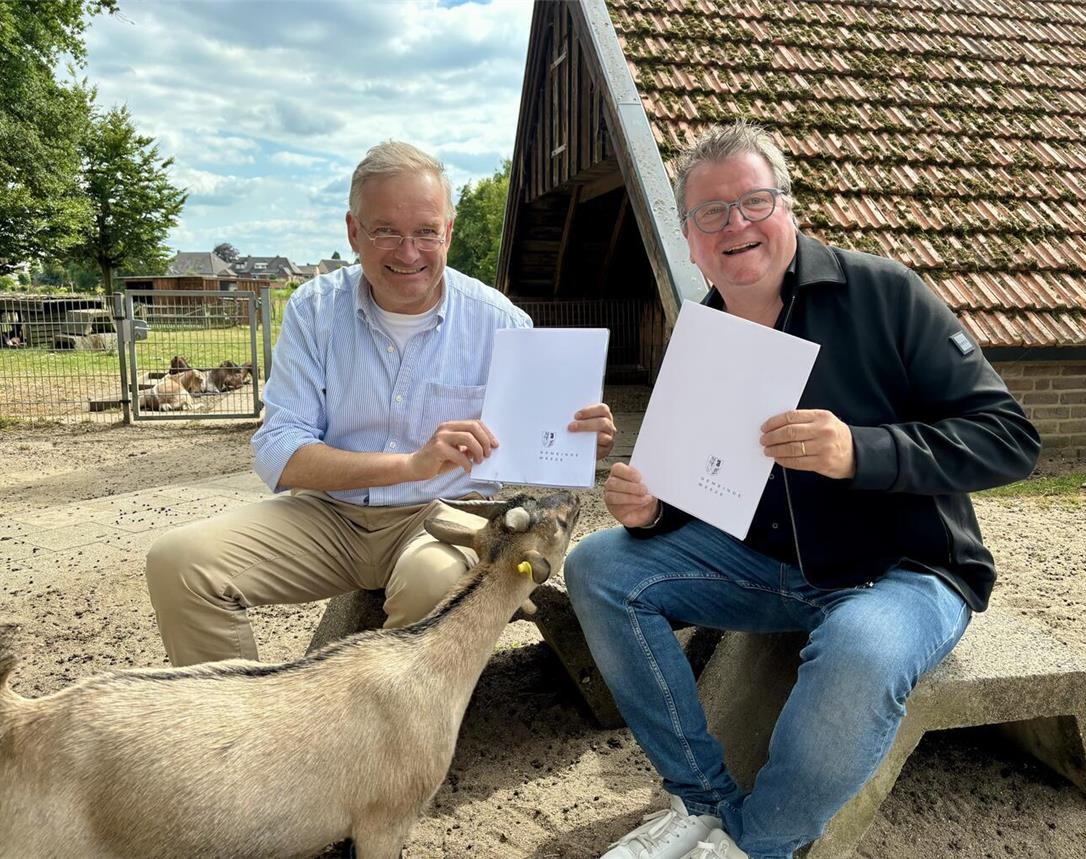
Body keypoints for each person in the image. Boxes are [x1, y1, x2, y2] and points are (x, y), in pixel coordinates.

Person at [563, 122, 1040, 859]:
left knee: (860, 647)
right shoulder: (702, 333)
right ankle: (702, 802)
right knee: (600, 565)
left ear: (788, 207)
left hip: (906, 571)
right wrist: (654, 510)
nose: (736, 224)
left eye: (754, 201)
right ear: (689, 239)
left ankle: (755, 846)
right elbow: (702, 481)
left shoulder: (885, 292)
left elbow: (1009, 437)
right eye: (710, 213)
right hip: (770, 570)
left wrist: (861, 450)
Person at [145, 141, 616, 667]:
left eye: (425, 232)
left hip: (447, 516)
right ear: (353, 231)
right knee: (178, 563)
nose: (408, 252)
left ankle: (377, 739)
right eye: (386, 230)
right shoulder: (314, 309)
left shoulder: (500, 323)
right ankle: (237, 736)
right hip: (329, 516)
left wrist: (580, 442)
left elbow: (537, 447)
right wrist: (411, 464)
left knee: (432, 583)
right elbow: (277, 450)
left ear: (449, 233)